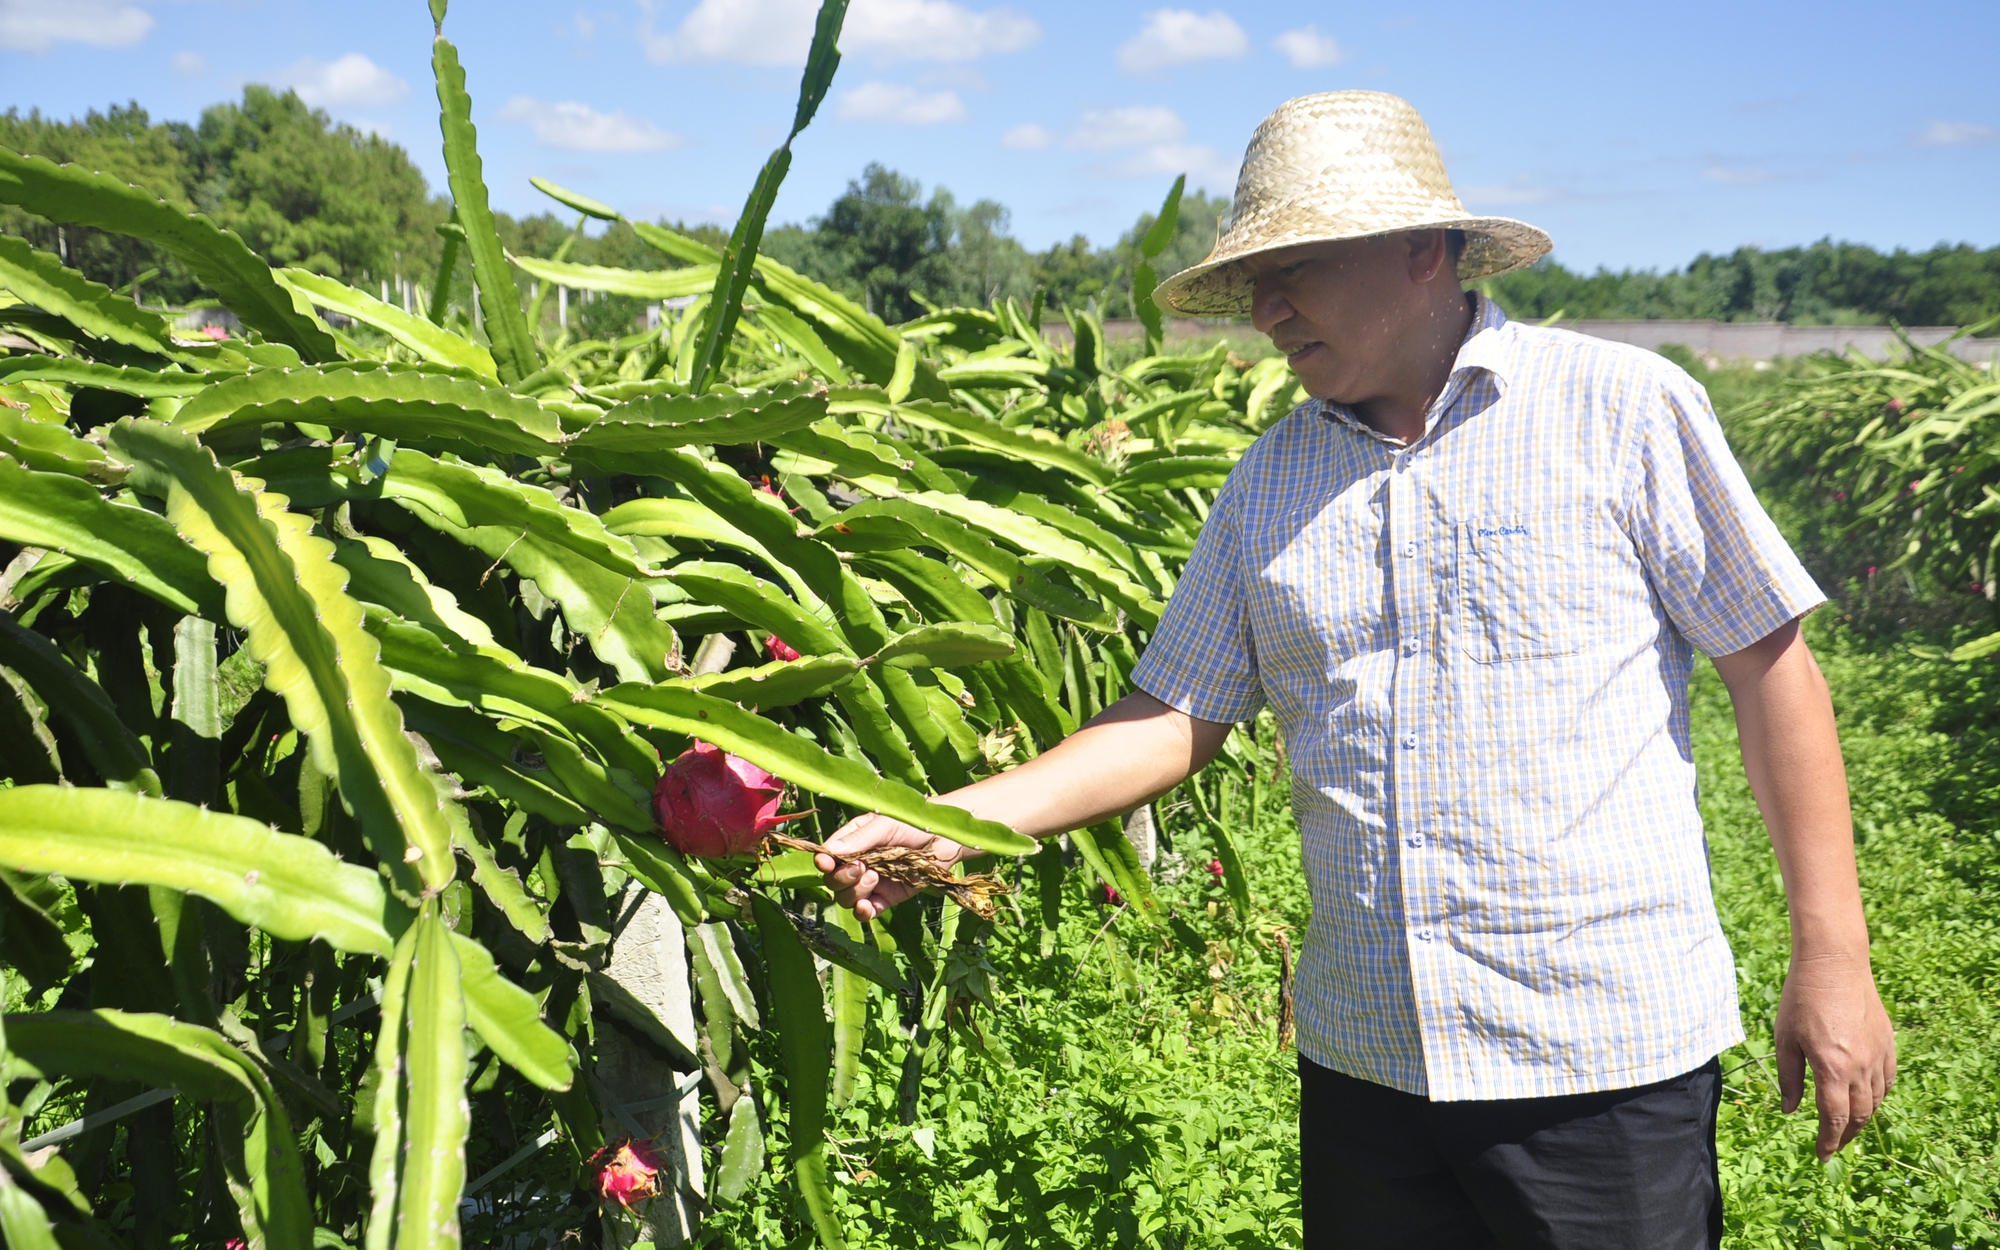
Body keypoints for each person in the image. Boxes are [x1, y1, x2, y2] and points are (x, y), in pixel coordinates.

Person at [816, 90, 1895, 1249]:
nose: (1268, 311)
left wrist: (1830, 956)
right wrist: (951, 820)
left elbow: (1768, 665)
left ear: (1422, 250)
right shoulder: (1265, 482)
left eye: (1299, 270)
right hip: (1368, 1061)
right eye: (1254, 284)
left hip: (1596, 1051)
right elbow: (1172, 713)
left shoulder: (1619, 411)